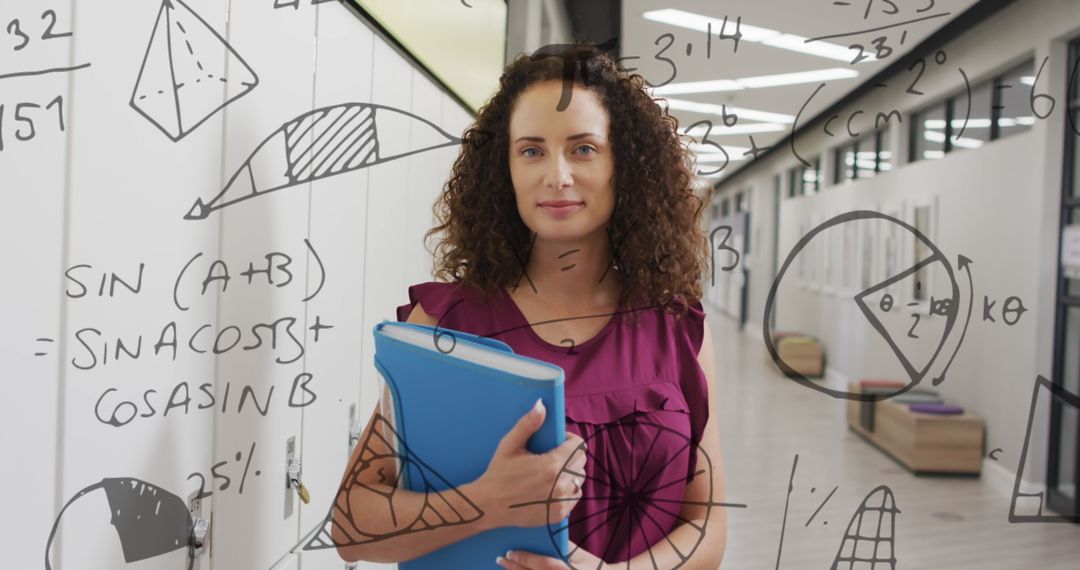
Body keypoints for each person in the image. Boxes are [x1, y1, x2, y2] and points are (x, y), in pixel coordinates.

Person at [333, 43, 728, 569]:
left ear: (624, 165)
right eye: (532, 150)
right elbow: (351, 525)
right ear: (506, 170)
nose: (556, 176)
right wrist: (484, 504)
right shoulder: (445, 327)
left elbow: (708, 523)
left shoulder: (675, 329)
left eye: (584, 148)